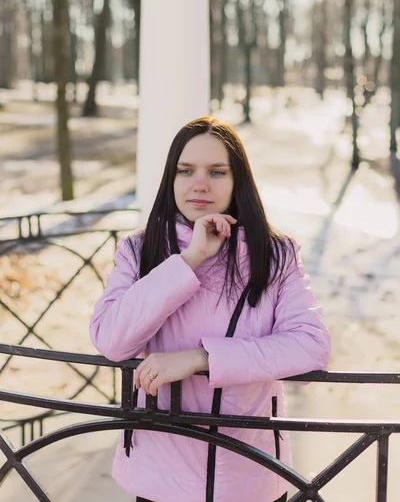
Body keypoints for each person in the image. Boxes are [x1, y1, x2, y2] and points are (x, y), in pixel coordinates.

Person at [89, 116, 331, 502]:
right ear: (172, 179)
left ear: (239, 182)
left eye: (217, 172)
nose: (199, 183)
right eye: (186, 171)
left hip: (250, 474)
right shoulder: (138, 250)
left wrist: (202, 358)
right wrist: (190, 260)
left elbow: (311, 348)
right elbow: (111, 341)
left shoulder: (277, 255)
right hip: (159, 477)